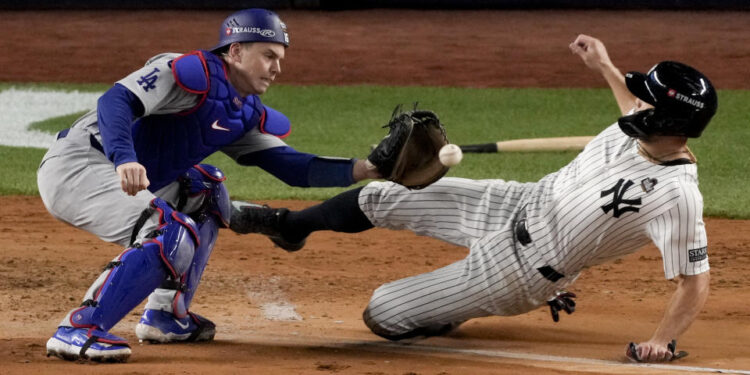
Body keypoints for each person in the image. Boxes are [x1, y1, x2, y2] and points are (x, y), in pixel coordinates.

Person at [232, 34, 716, 363]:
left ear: (667, 123)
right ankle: (290, 227)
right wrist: (604, 65)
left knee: (383, 313)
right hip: (516, 202)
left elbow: (693, 283)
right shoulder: (643, 125)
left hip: (523, 271)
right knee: (384, 194)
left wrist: (662, 341)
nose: (637, 103)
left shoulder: (676, 198)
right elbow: (630, 102)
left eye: (648, 102)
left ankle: (455, 307)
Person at [39, 8, 379, 362]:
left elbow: (293, 167)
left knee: (206, 191)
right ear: (235, 51)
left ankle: (167, 315)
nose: (277, 68)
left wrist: (367, 168)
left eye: (279, 58)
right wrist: (125, 157)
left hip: (124, 174)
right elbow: (116, 100)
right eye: (268, 56)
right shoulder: (184, 71)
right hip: (79, 165)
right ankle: (79, 329)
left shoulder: (242, 111)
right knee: (169, 231)